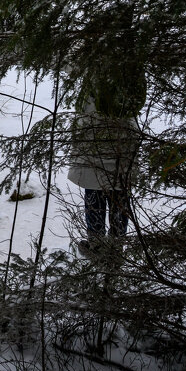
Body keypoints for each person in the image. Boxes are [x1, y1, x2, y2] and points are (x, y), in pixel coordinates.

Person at [66, 75, 144, 257]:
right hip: (123, 139)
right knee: (119, 193)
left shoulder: (94, 65)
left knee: (95, 191)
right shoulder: (130, 65)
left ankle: (97, 245)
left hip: (94, 138)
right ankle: (115, 246)